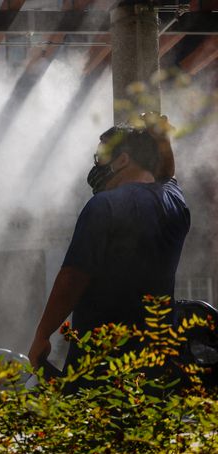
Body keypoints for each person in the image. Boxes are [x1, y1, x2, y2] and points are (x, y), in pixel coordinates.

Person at [28, 115, 190, 389]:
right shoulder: (175, 204)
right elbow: (166, 176)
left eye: (101, 157)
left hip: (102, 364)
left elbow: (72, 277)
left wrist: (42, 335)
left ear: (123, 160)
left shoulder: (104, 206)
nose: (96, 165)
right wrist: (162, 141)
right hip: (157, 364)